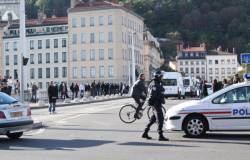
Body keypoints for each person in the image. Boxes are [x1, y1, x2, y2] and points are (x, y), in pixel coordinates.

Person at [142, 70, 168, 141]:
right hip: (156, 103)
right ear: (158, 76)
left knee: (153, 119)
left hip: (156, 103)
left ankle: (145, 132)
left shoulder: (157, 82)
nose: (162, 77)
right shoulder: (154, 84)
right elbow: (152, 95)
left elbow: (160, 91)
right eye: (161, 76)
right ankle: (160, 135)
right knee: (160, 119)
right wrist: (154, 102)